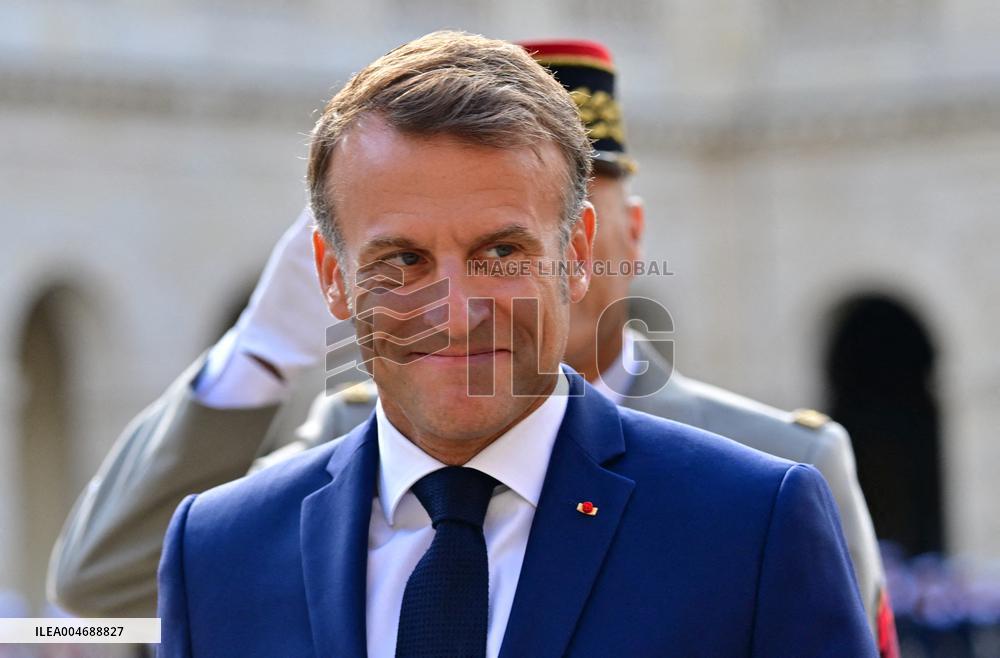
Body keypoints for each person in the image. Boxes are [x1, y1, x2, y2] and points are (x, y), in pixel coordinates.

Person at [47, 38, 893, 651]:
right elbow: (94, 585)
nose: (455, 310)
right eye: (401, 260)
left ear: (579, 248)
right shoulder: (226, 547)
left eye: (501, 251)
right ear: (329, 275)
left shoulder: (757, 514)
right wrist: (264, 346)